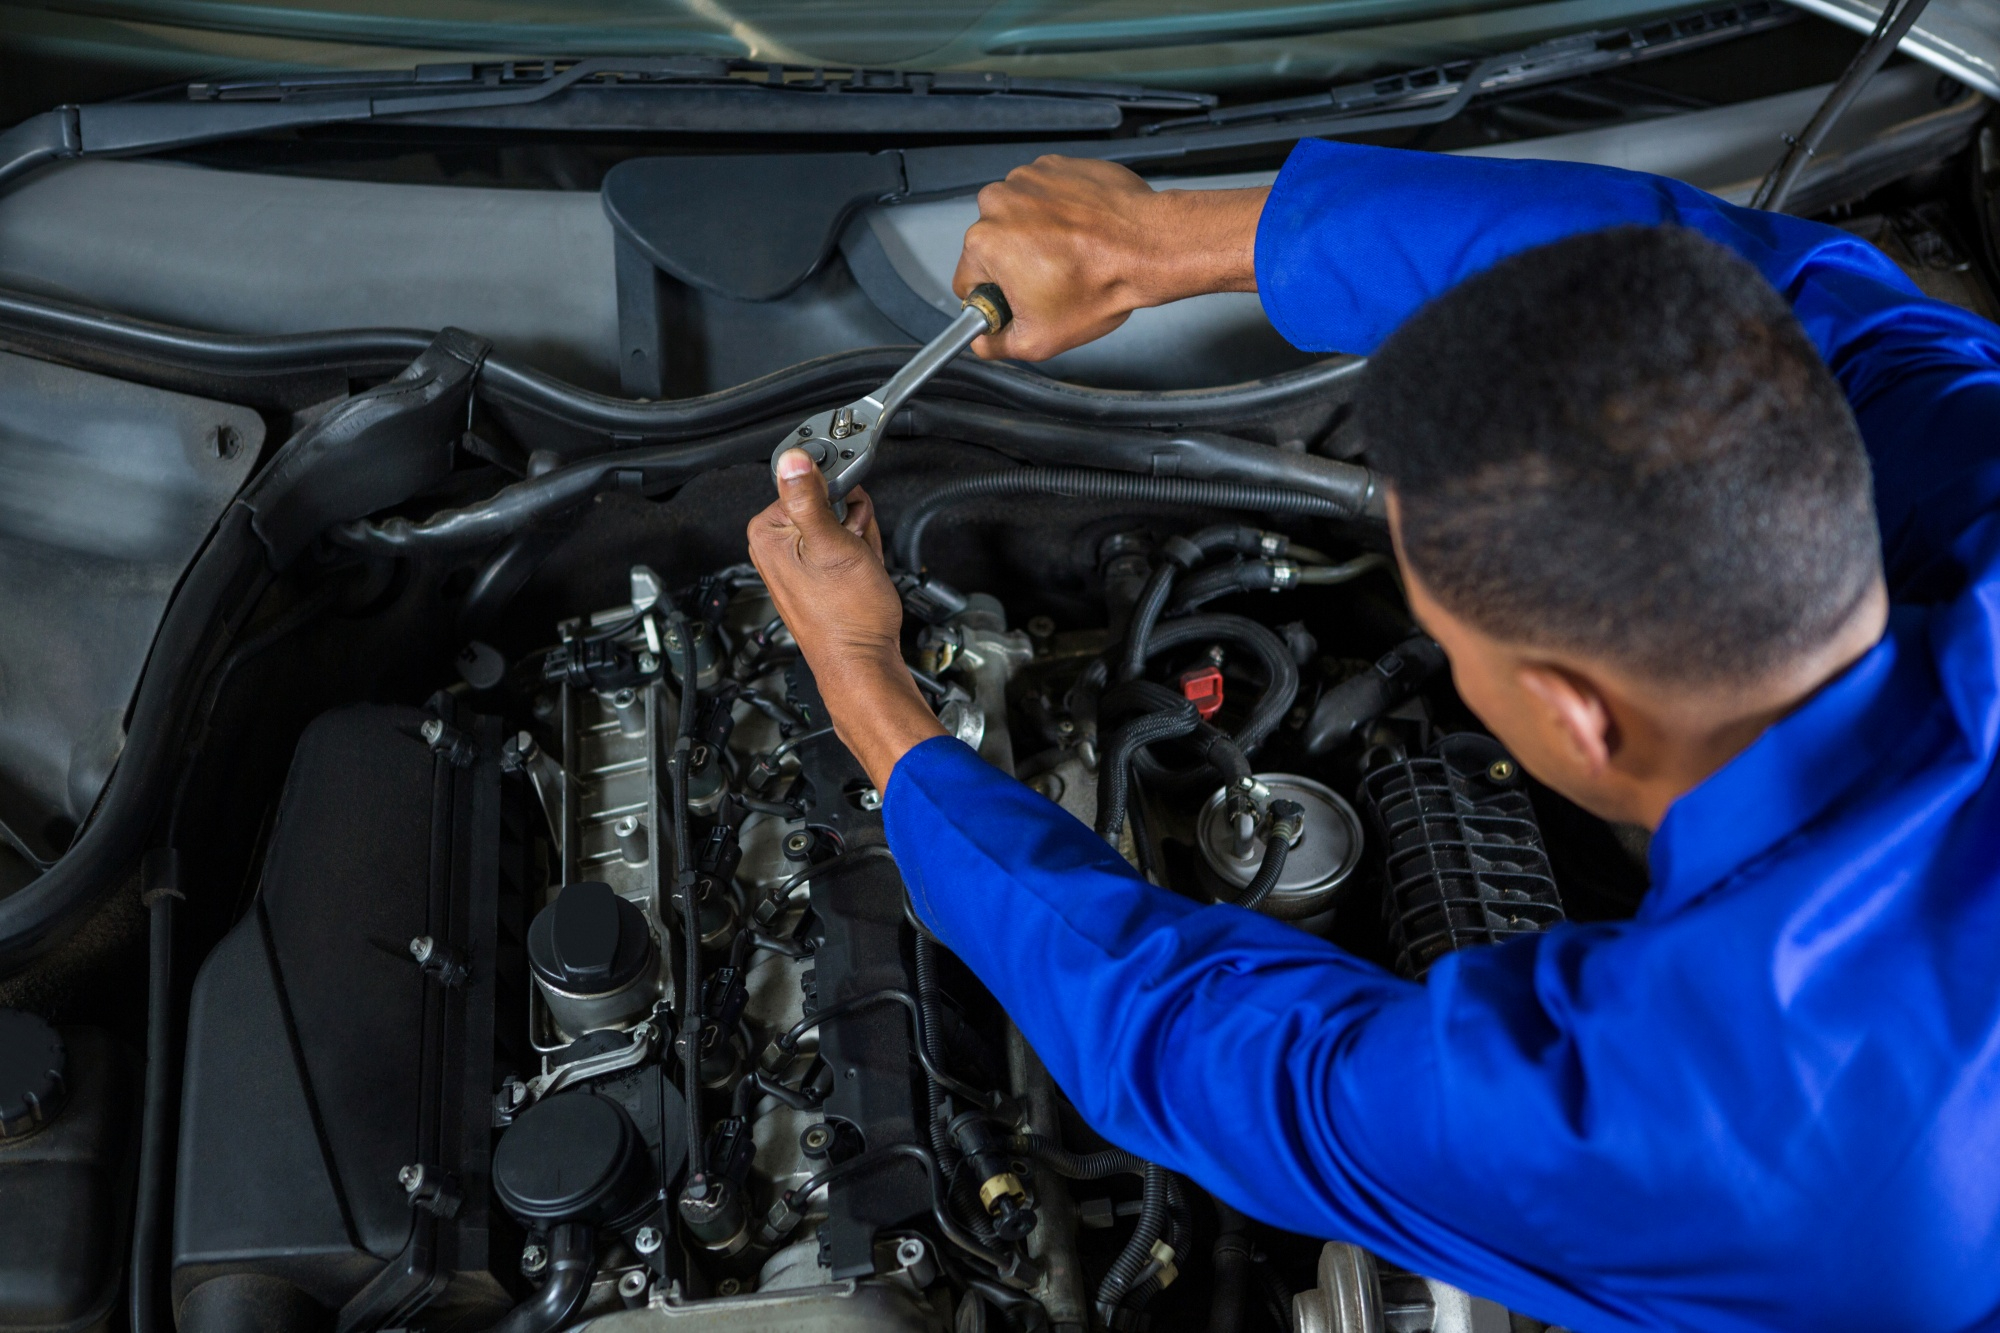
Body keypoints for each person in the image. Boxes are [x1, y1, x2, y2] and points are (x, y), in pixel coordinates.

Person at [745, 143, 2000, 1332]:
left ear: (1574, 710)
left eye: (1451, 643)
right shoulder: (1966, 459)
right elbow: (1751, 293)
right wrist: (1149, 242)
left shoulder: (1699, 1113)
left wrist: (865, 688)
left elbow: (1203, 1048)